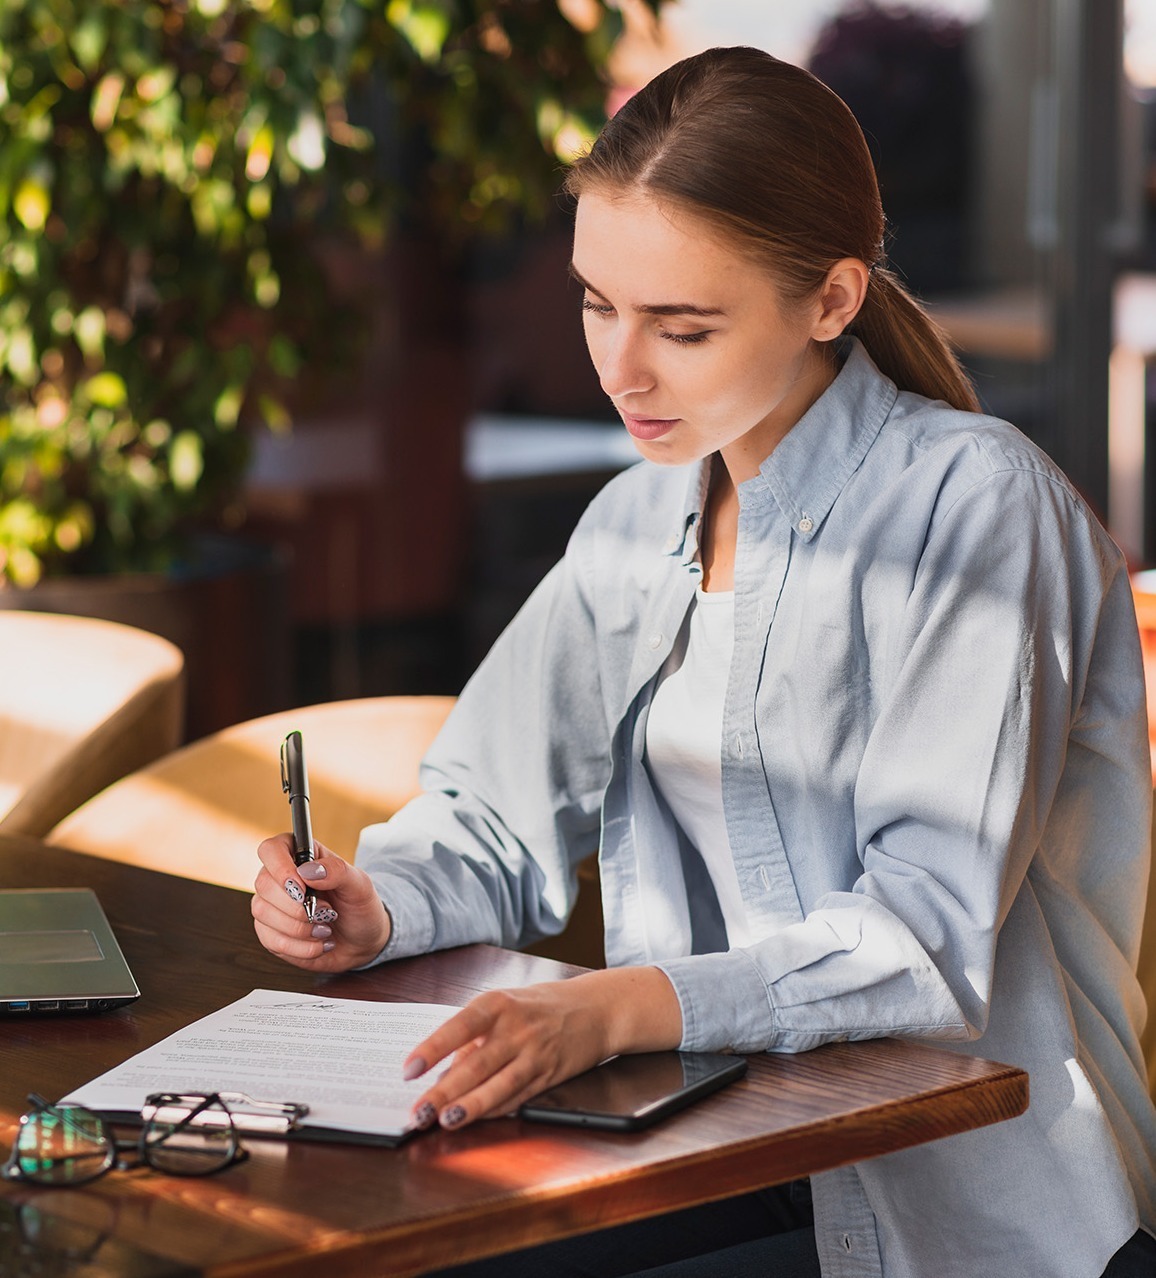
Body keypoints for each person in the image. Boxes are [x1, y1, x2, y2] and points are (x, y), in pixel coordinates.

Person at [252, 46, 1156, 1278]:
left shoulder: (976, 512)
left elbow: (916, 936)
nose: (620, 369)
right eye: (593, 304)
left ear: (831, 299)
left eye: (682, 326)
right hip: (715, 1142)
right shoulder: (635, 523)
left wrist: (615, 1005)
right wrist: (379, 904)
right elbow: (491, 809)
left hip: (960, 1208)